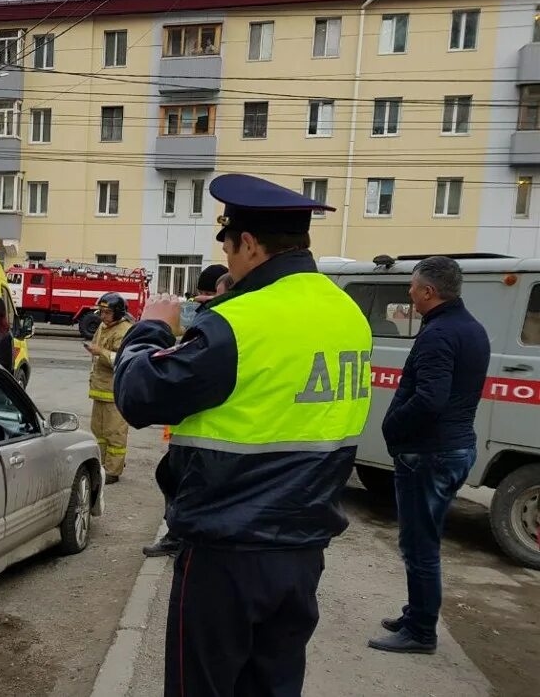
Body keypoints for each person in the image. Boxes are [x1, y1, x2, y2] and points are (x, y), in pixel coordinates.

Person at [112, 173, 372, 696]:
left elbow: (140, 396)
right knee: (273, 686)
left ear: (249, 244)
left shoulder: (238, 321)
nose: (228, 258)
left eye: (228, 245)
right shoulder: (348, 314)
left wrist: (151, 328)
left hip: (227, 555)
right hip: (303, 550)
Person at [369, 257, 490, 655]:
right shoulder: (471, 328)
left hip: (429, 453)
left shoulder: (439, 334)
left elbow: (430, 399)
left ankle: (421, 631)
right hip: (453, 447)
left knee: (420, 545)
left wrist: (392, 427)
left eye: (412, 287)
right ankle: (416, 611)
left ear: (428, 292)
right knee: (423, 539)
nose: (408, 292)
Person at [145, 263, 233, 556]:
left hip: (212, 435)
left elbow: (140, 393)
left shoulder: (222, 326)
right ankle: (176, 534)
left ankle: (179, 537)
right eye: (203, 294)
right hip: (191, 428)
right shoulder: (204, 323)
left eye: (212, 294)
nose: (204, 300)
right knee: (170, 478)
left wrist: (152, 329)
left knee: (184, 486)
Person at [86, 292, 134, 484]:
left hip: (115, 392)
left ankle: (113, 471)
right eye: (101, 312)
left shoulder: (124, 330)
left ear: (118, 312)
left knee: (115, 433)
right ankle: (102, 466)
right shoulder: (102, 326)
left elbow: (122, 360)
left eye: (107, 312)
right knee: (98, 432)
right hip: (100, 389)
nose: (102, 316)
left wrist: (101, 352)